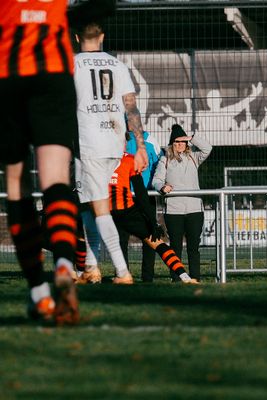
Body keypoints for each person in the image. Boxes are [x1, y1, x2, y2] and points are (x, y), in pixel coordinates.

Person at [0, 0, 84, 324]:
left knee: (16, 180)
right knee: (56, 178)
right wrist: (67, 17)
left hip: (9, 70)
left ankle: (38, 291)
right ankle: (64, 263)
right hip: (53, 69)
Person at [73, 21, 149, 285]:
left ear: (76, 36)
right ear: (102, 37)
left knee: (99, 208)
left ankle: (122, 271)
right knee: (89, 205)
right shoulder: (117, 65)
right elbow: (131, 108)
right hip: (114, 143)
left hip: (88, 144)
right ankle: (91, 268)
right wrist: (139, 146)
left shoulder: (72, 64)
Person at [110, 153, 198, 284]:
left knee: (156, 242)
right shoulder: (120, 159)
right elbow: (141, 193)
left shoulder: (122, 159)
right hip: (116, 212)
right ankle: (184, 276)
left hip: (115, 212)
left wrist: (153, 222)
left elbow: (140, 192)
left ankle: (184, 276)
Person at [152, 124, 212, 282]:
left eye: (182, 141)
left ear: (186, 143)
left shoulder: (194, 157)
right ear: (172, 143)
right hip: (174, 211)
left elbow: (207, 148)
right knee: (175, 248)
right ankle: (176, 278)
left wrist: (192, 137)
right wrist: (162, 187)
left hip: (194, 210)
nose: (179, 144)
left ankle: (195, 278)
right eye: (176, 141)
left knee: (193, 247)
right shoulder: (164, 159)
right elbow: (156, 180)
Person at [118, 130, 162, 282]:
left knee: (150, 235)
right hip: (124, 195)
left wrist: (155, 184)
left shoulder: (150, 139)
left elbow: (160, 165)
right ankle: (124, 275)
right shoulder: (120, 138)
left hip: (146, 195)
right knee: (121, 237)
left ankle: (147, 277)